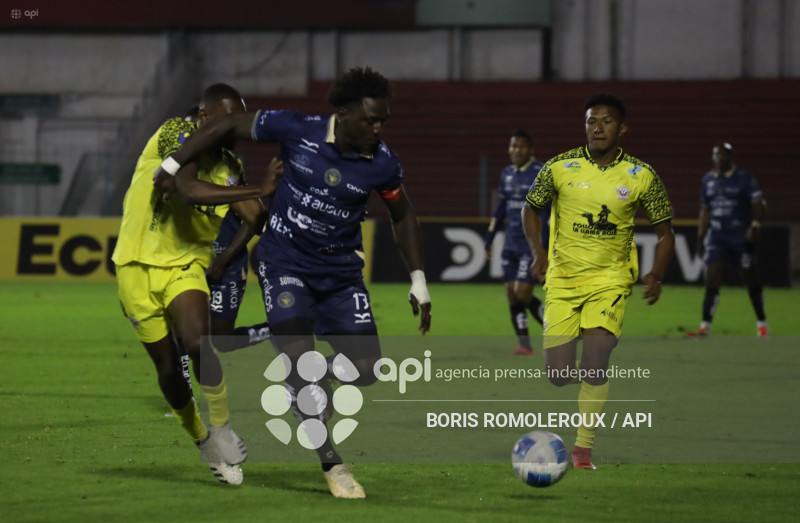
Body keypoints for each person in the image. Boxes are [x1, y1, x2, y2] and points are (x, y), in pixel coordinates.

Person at [154, 66, 432, 499]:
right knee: (302, 366)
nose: (378, 129)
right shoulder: (297, 128)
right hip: (284, 264)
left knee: (367, 370)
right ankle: (333, 465)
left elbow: (403, 215)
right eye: (370, 120)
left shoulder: (382, 163)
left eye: (383, 121)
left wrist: (419, 279)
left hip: (340, 275)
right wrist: (173, 162)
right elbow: (227, 123)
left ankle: (312, 379)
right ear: (344, 113)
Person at [113, 83, 282, 485]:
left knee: (196, 343)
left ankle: (221, 426)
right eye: (227, 121)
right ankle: (204, 442)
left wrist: (226, 255)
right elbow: (186, 190)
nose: (234, 130)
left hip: (186, 263)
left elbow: (255, 218)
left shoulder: (227, 165)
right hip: (134, 265)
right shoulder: (174, 132)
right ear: (205, 117)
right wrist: (260, 189)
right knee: (168, 369)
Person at [521, 93, 675, 470]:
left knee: (594, 362)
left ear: (622, 129)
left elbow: (665, 231)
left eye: (606, 121)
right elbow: (530, 208)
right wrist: (539, 253)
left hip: (610, 280)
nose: (598, 127)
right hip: (562, 279)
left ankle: (582, 449)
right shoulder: (560, 167)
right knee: (558, 375)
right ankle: (585, 382)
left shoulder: (641, 175)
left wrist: (656, 273)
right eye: (592, 121)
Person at [687, 143, 768, 337]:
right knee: (712, 276)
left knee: (749, 278)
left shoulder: (744, 178)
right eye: (716, 155)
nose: (719, 159)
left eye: (723, 155)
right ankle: (705, 326)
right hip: (717, 236)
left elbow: (758, 204)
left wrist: (755, 226)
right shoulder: (707, 180)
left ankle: (762, 324)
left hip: (741, 235)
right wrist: (700, 239)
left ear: (730, 157)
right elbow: (705, 211)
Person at [484, 129, 549, 356]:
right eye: (513, 146)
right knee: (512, 293)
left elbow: (549, 211)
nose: (516, 150)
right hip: (510, 243)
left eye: (521, 146)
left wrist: (545, 245)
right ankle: (525, 345)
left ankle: (556, 329)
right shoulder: (506, 174)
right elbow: (501, 208)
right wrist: (490, 238)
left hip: (530, 245)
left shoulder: (540, 172)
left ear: (530, 149)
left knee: (522, 293)